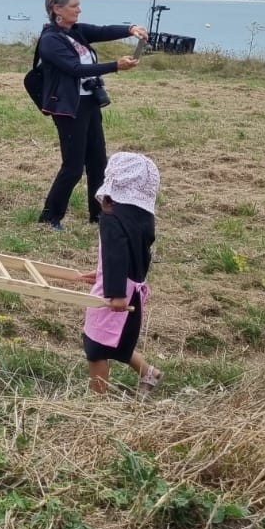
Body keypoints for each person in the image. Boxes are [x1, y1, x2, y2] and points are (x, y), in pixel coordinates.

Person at [33, 0, 145, 230]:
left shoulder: (76, 31)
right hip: (68, 108)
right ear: (57, 9)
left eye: (78, 4)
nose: (79, 10)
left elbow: (103, 31)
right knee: (73, 167)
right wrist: (115, 65)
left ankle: (98, 215)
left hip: (89, 103)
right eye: (74, 6)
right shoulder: (50, 40)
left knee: (98, 163)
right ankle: (50, 217)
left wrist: (130, 29)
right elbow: (75, 69)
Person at [79, 152, 162, 397]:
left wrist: (114, 292)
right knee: (122, 342)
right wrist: (101, 272)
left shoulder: (112, 217)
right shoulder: (144, 217)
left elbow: (116, 255)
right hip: (134, 286)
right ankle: (149, 372)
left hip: (117, 293)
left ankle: (97, 400)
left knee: (95, 346)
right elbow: (136, 255)